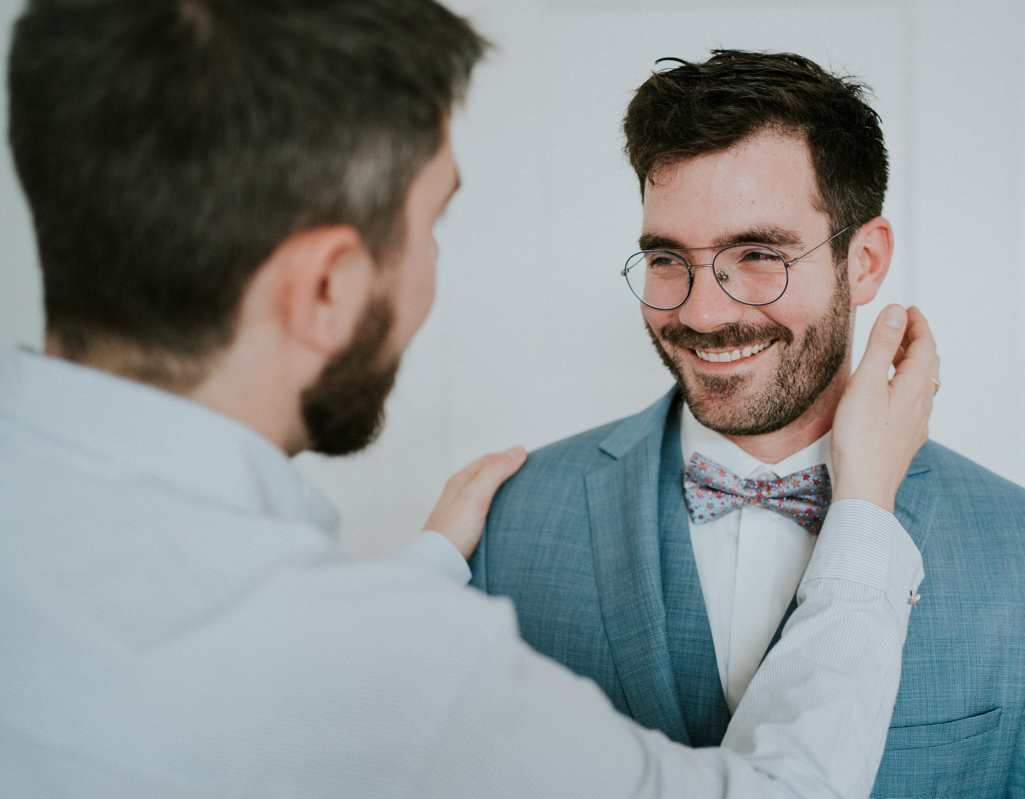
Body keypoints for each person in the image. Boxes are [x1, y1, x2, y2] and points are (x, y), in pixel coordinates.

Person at [0, 3, 941, 797]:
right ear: (328, 287)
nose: (703, 304)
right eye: (432, 219)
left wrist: (411, 575)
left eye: (755, 257)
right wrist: (860, 523)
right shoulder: (403, 663)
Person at [472, 50, 1025, 798]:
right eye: (668, 258)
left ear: (864, 261)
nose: (702, 312)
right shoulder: (511, 524)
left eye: (758, 253)